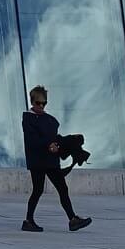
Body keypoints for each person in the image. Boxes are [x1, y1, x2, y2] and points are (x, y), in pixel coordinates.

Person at [20, 86, 91, 233]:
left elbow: (53, 137)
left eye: (44, 103)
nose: (41, 106)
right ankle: (28, 220)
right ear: (32, 102)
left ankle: (72, 219)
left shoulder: (50, 120)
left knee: (62, 188)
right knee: (38, 190)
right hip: (38, 161)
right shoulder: (28, 119)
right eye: (38, 103)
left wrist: (59, 144)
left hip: (51, 160)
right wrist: (49, 145)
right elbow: (31, 140)